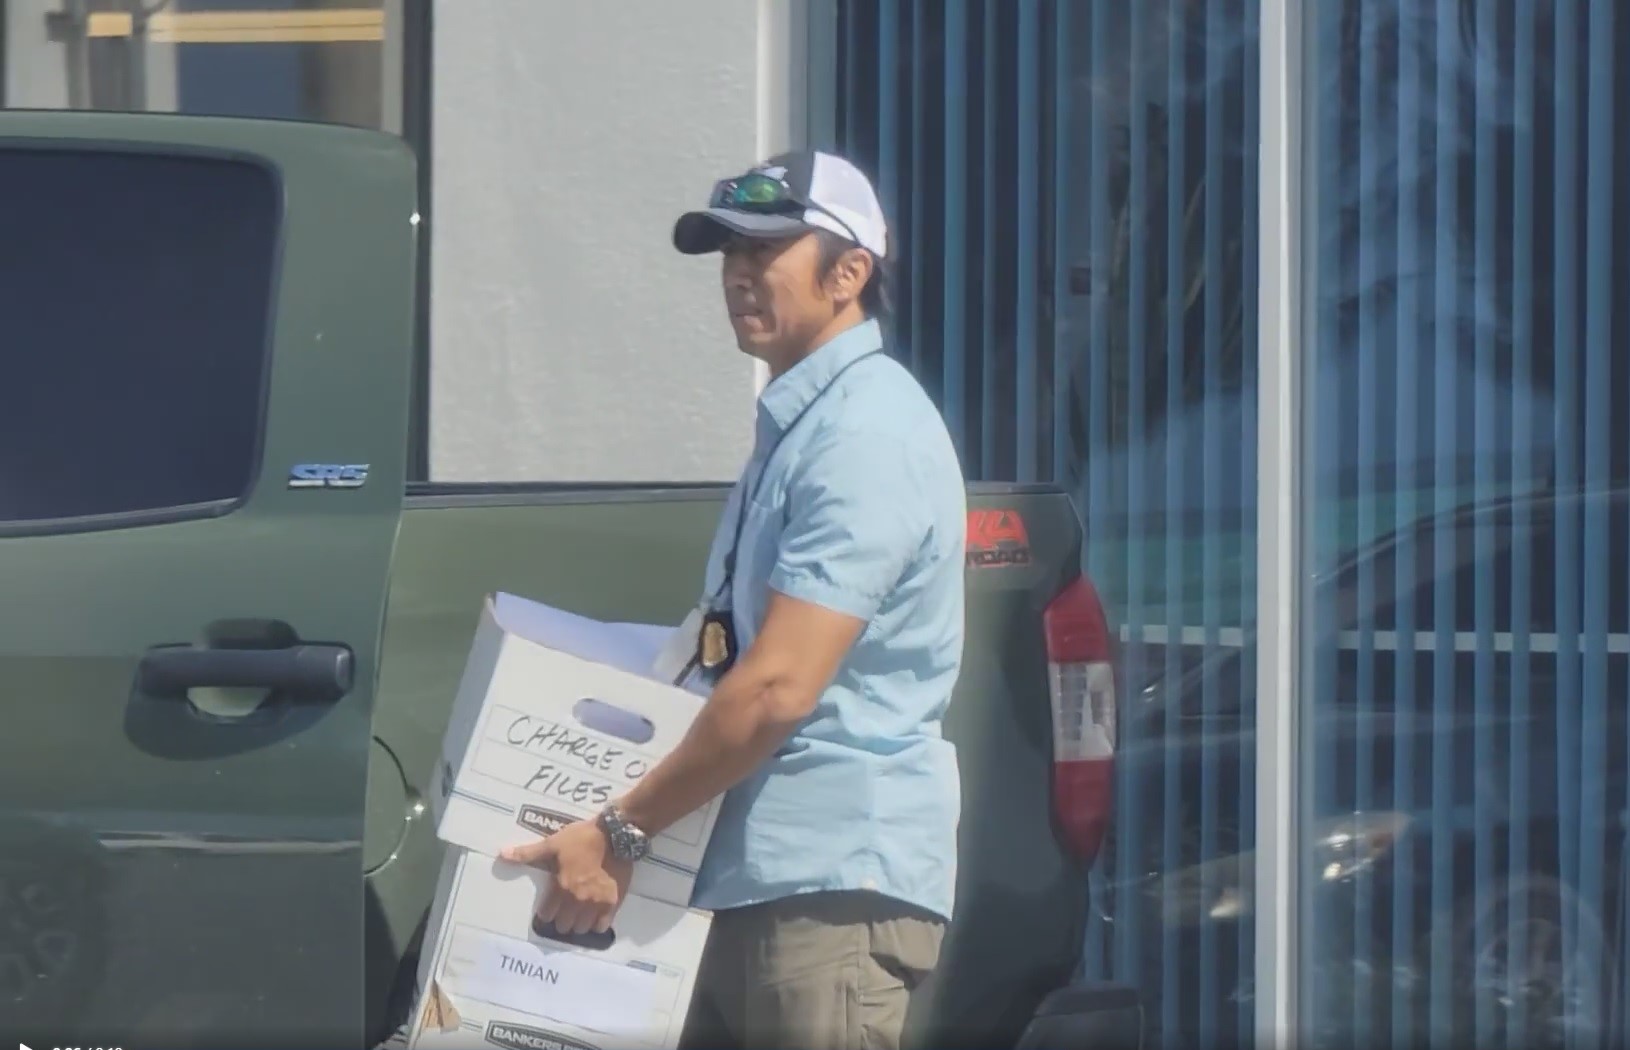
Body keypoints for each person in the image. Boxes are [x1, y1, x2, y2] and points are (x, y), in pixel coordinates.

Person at [500, 149, 967, 1050]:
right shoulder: (806, 426)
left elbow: (774, 689)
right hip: (750, 880)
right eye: (728, 254)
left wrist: (620, 832)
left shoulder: (864, 434)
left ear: (849, 273)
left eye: (768, 250)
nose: (741, 275)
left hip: (822, 894)